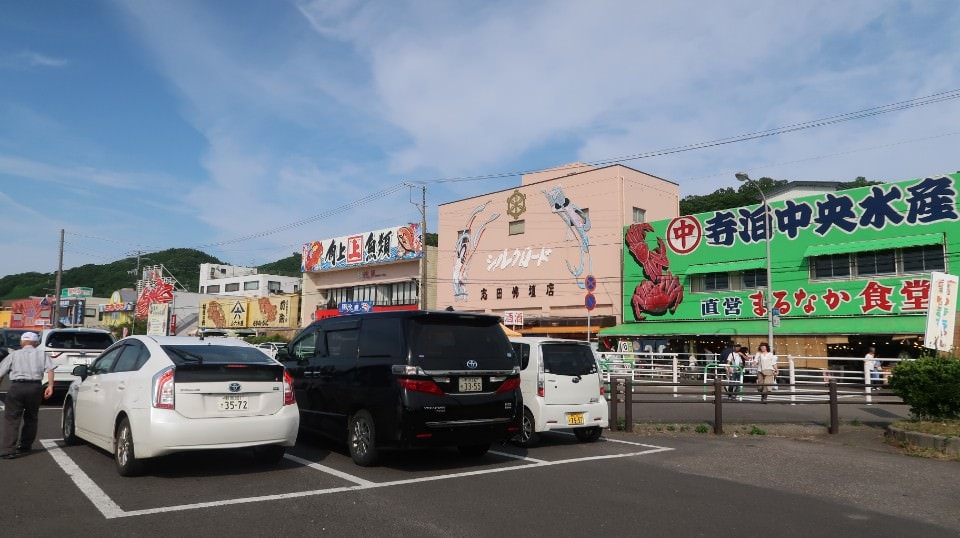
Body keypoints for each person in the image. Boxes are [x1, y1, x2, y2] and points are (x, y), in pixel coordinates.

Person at [0, 332, 55, 459]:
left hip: (17, 387)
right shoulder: (42, 354)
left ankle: (8, 450)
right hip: (35, 387)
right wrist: (50, 386)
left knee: (12, 419)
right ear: (36, 343)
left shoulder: (14, 354)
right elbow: (50, 369)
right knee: (31, 417)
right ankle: (25, 445)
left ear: (22, 342)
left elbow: (1, 373)